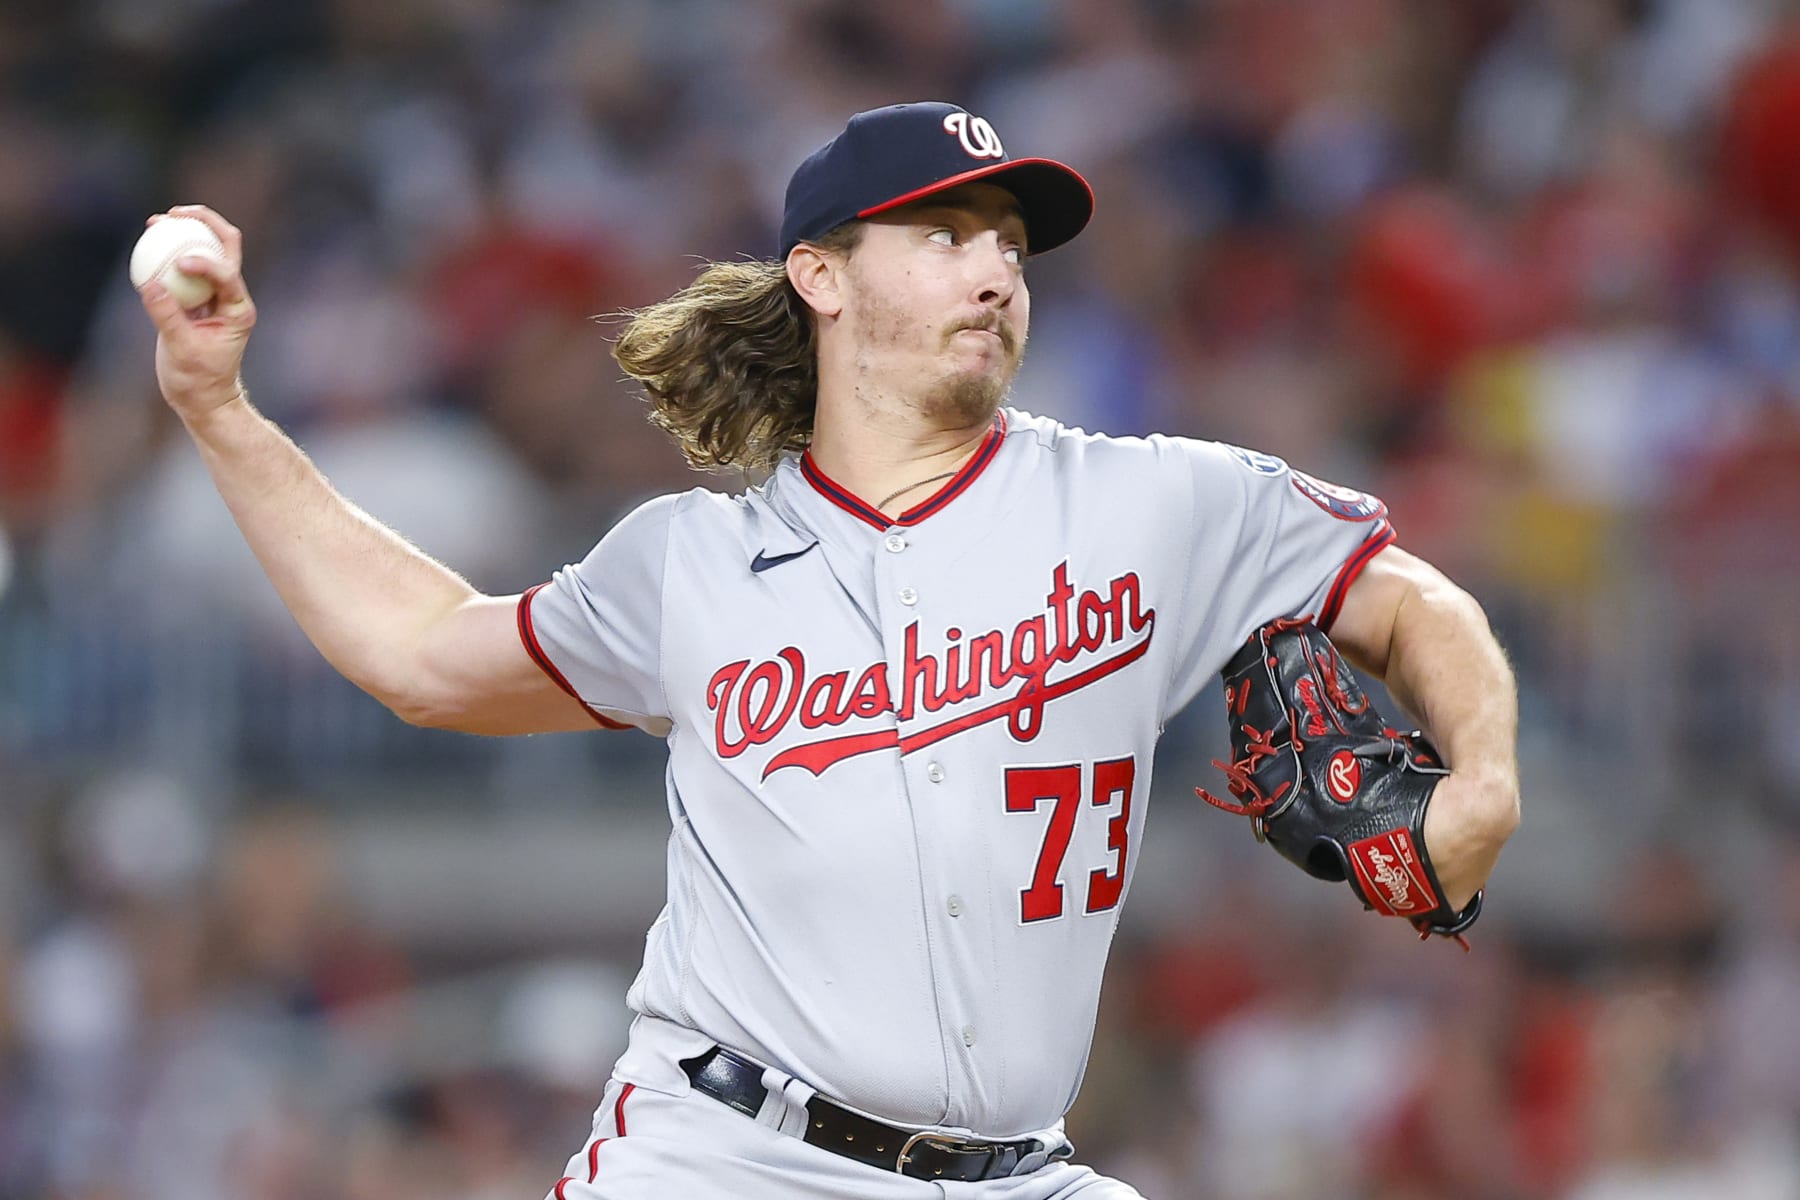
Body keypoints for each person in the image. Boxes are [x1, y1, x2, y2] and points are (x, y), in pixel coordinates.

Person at [138, 101, 1520, 1199]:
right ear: (821, 275)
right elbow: (425, 652)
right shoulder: (689, 564)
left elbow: (1406, 598)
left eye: (1010, 245)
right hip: (726, 1158)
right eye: (946, 232)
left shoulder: (1153, 503)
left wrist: (1484, 779)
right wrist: (223, 416)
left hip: (1018, 1172)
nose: (994, 267)